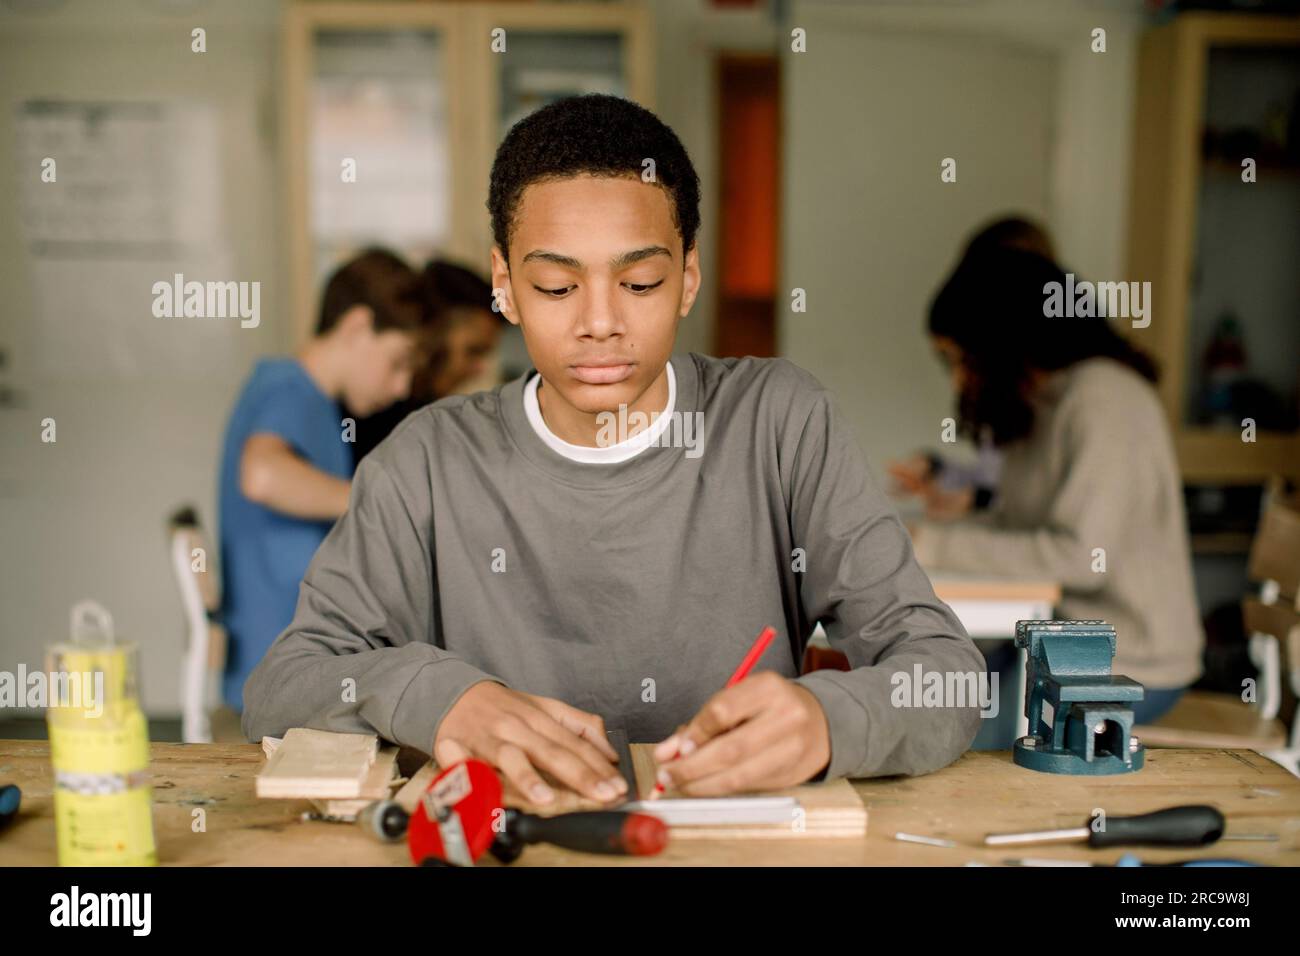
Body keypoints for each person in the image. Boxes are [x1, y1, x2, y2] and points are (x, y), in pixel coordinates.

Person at [243, 94, 984, 803]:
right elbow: (284, 683)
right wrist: (442, 699)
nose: (600, 323)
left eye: (639, 281)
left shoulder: (779, 423)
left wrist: (829, 722)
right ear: (504, 285)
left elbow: (948, 675)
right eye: (557, 288)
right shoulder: (428, 460)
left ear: (687, 276)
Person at [908, 245, 1204, 723]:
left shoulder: (1104, 399)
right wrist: (919, 536)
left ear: (998, 339)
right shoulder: (1040, 405)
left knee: (951, 729)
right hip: (1054, 642)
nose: (958, 381)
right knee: (928, 694)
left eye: (957, 358)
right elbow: (1016, 526)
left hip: (1127, 662)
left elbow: (1082, 558)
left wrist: (932, 546)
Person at [216, 248, 427, 711]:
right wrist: (381, 500)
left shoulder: (312, 402)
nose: (402, 387)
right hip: (282, 660)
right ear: (356, 327)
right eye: (399, 361)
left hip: (287, 648)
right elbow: (262, 475)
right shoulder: (288, 388)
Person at [888, 216, 1057, 519]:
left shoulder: (1062, 390)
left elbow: (1048, 509)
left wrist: (977, 500)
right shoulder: (1004, 382)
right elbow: (996, 478)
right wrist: (935, 468)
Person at [349, 259, 503, 463]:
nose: (480, 369)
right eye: (473, 351)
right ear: (435, 336)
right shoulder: (365, 409)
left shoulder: (435, 421)